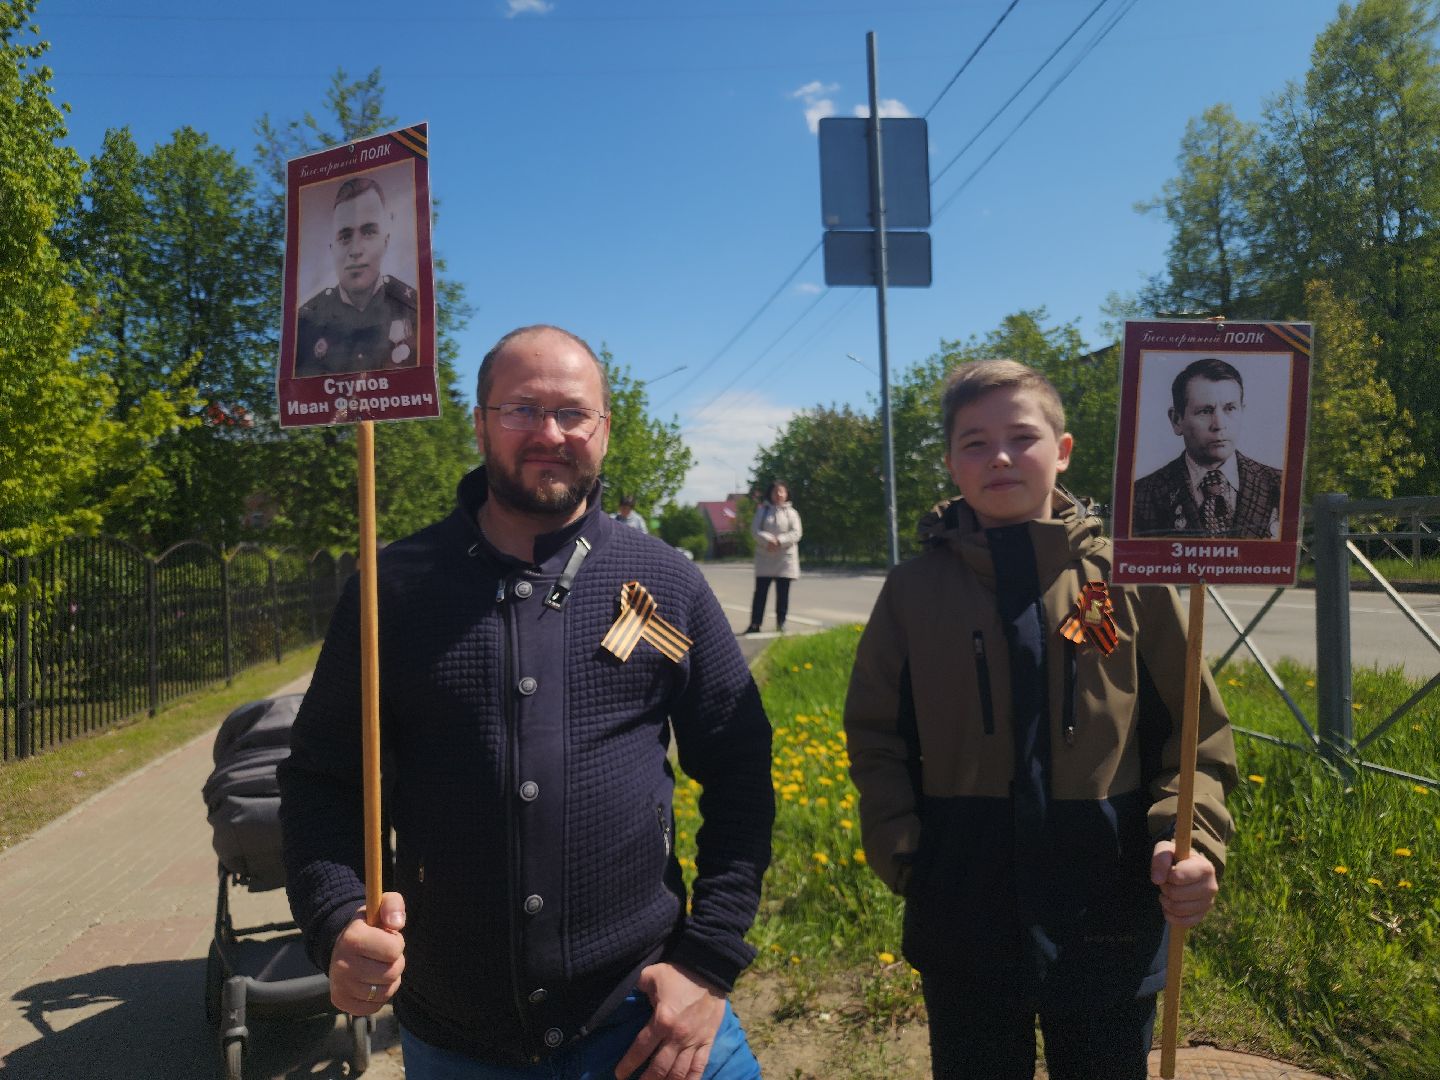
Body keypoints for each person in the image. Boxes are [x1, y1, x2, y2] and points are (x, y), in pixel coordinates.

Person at [278, 325, 773, 1079]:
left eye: (574, 413)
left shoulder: (664, 586)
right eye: (521, 409)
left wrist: (708, 963)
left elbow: (740, 768)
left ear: (605, 430)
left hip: (648, 1025)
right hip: (458, 1040)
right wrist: (335, 918)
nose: (550, 433)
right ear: (479, 423)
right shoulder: (393, 590)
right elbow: (320, 782)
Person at [843, 359, 1238, 1080]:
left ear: (1062, 451)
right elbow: (876, 736)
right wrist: (905, 853)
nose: (999, 456)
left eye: (1022, 436)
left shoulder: (1130, 579)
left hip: (1109, 904)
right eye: (973, 442)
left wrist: (1192, 837)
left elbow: (1194, 735)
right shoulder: (913, 592)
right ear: (950, 463)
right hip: (964, 902)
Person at [1131, 357, 1282, 538]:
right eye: (1205, 411)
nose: (1219, 424)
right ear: (1177, 420)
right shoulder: (1141, 495)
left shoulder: (1279, 485)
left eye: (1230, 409)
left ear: (1243, 412)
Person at [294, 175, 419, 378]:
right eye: (344, 236)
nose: (355, 249)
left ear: (385, 241)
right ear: (331, 248)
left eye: (368, 232)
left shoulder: (414, 310)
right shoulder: (304, 323)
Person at [743, 481, 801, 634]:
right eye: (776, 492)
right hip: (765, 558)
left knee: (783, 594)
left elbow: (796, 533)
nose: (779, 495)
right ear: (770, 493)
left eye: (782, 491)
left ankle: (781, 624)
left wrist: (780, 541)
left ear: (787, 493)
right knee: (760, 593)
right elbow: (755, 530)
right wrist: (768, 540)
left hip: (784, 559)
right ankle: (755, 624)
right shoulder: (762, 511)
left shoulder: (792, 513)